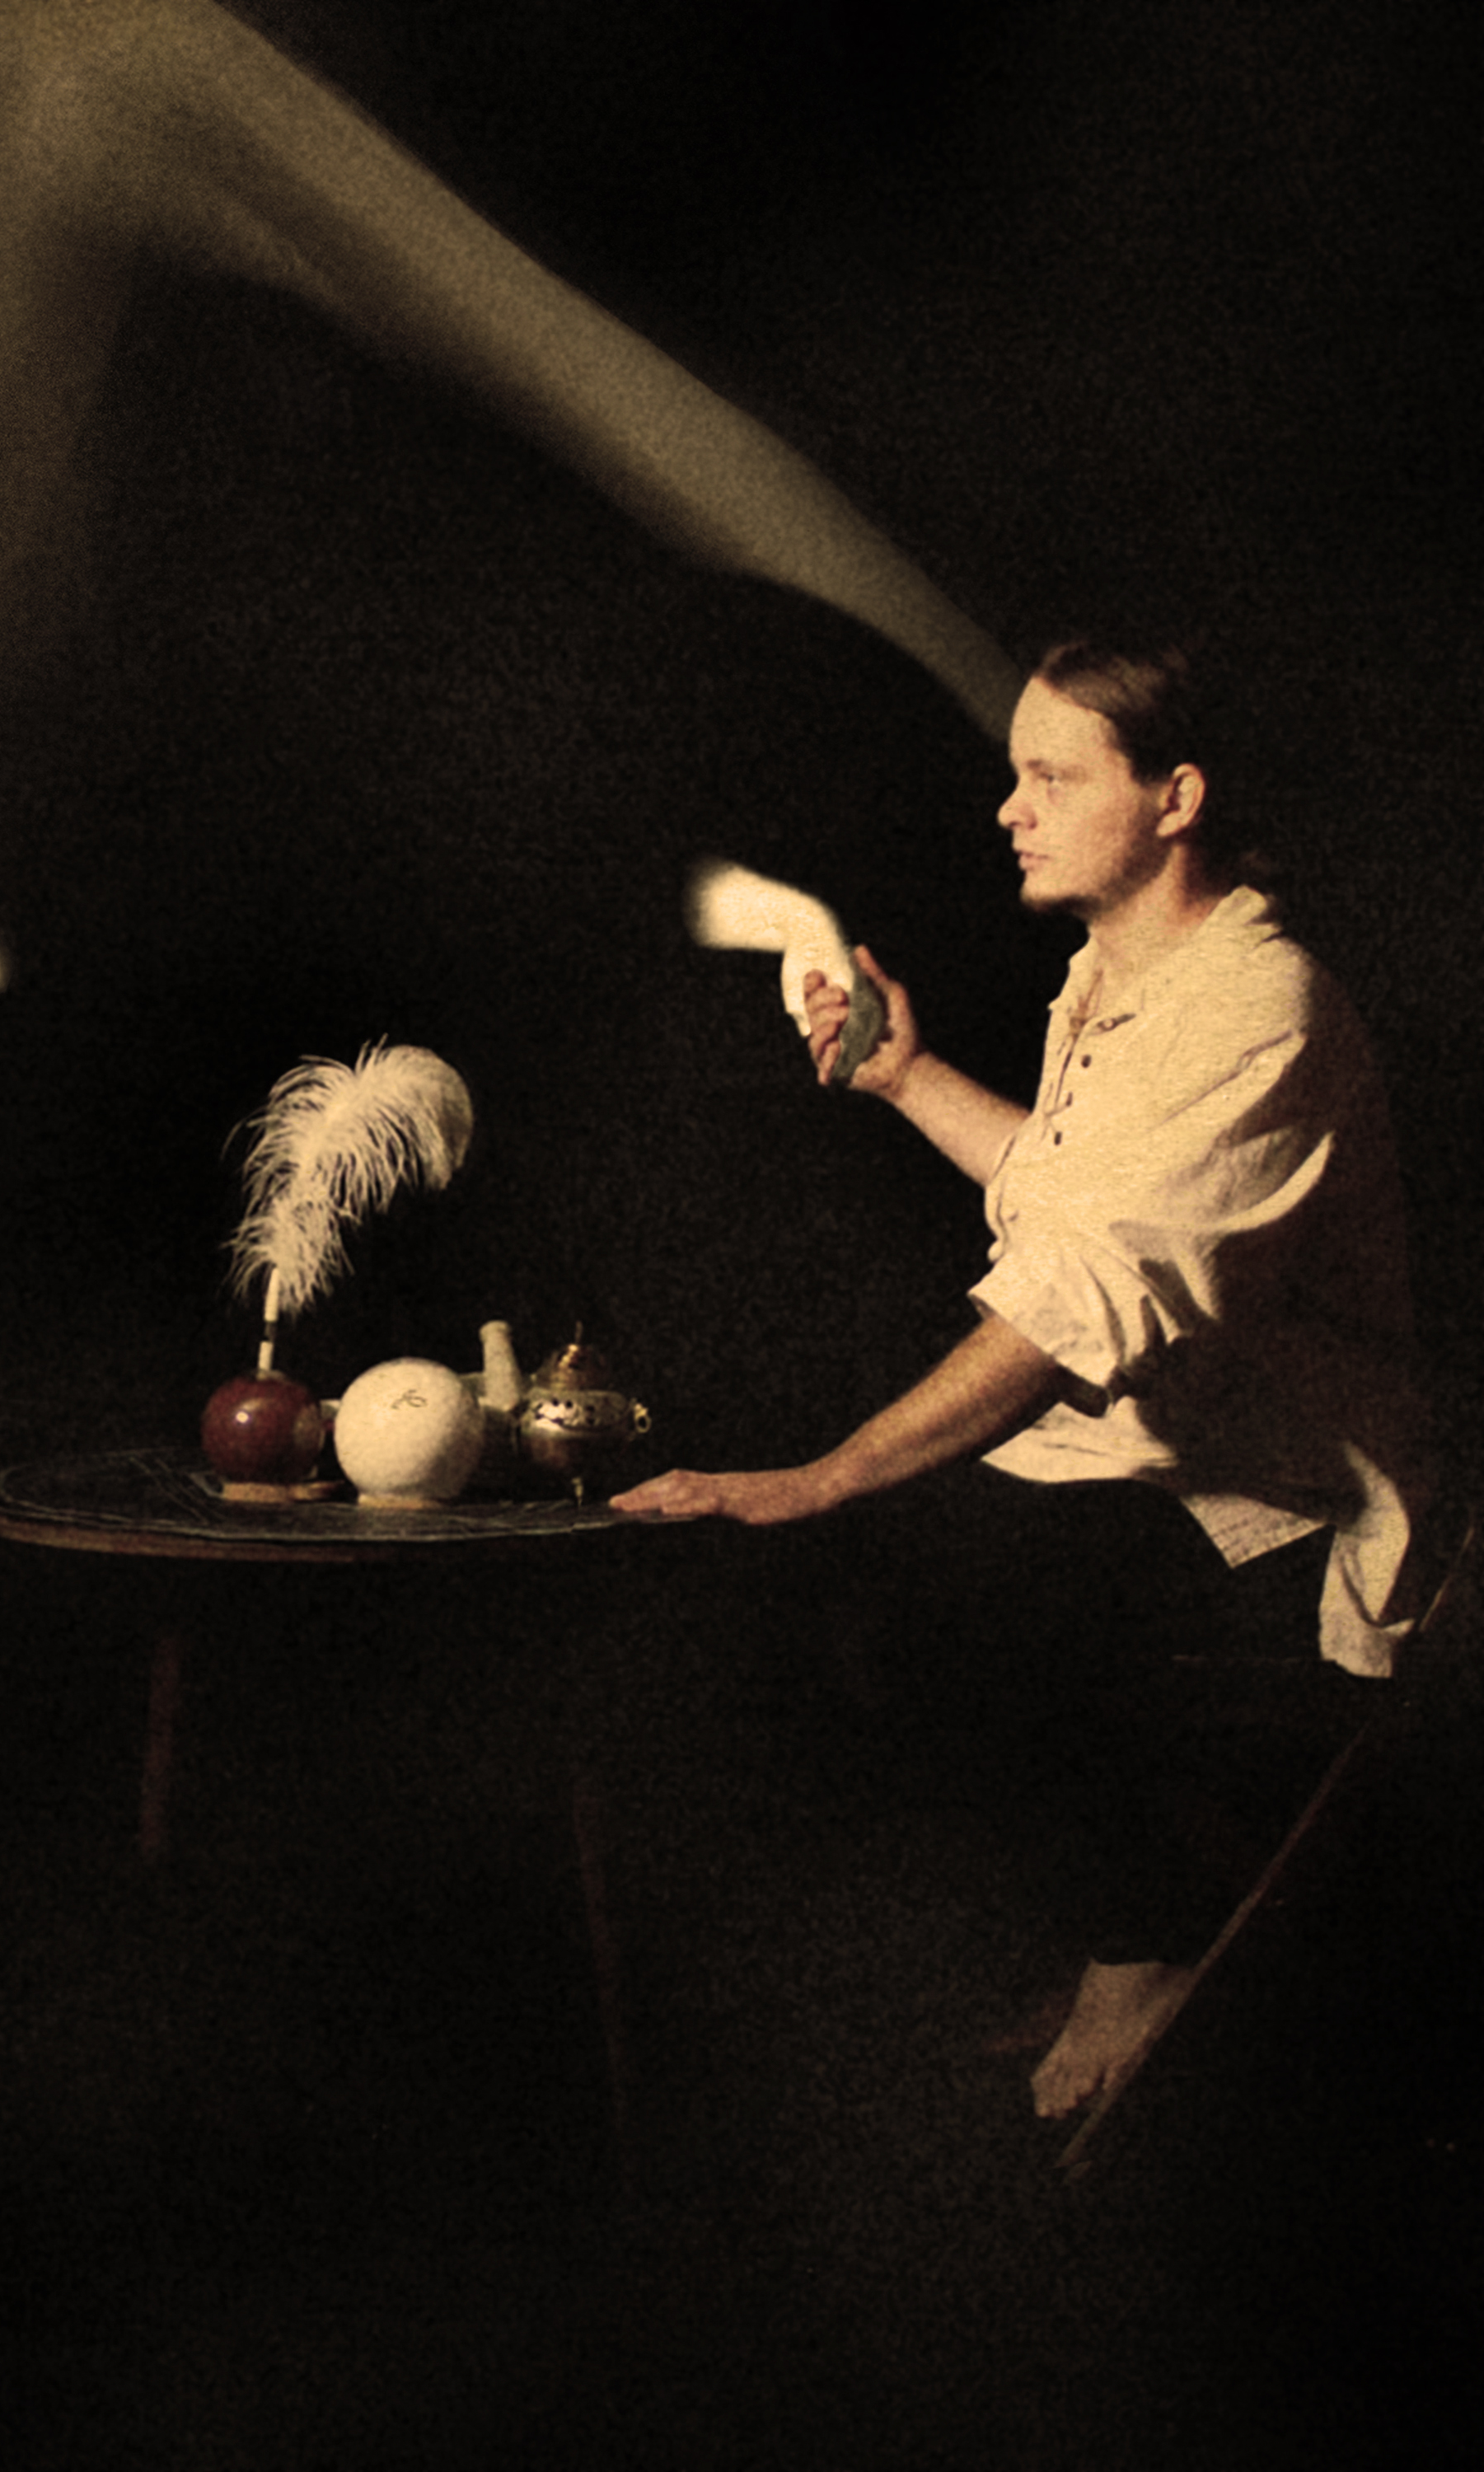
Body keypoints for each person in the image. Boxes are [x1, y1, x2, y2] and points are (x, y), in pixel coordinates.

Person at [611, 639, 1444, 2119]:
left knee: (944, 1572)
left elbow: (1087, 1296)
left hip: (1281, 1511)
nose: (1011, 809)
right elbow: (1074, 1198)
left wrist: (824, 1478)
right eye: (1014, 776)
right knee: (862, 1571)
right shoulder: (1116, 982)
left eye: (1053, 777)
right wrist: (904, 1076)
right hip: (1158, 1463)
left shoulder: (1259, 1005)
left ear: (1175, 797)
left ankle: (1143, 1955)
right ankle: (1104, 1935)